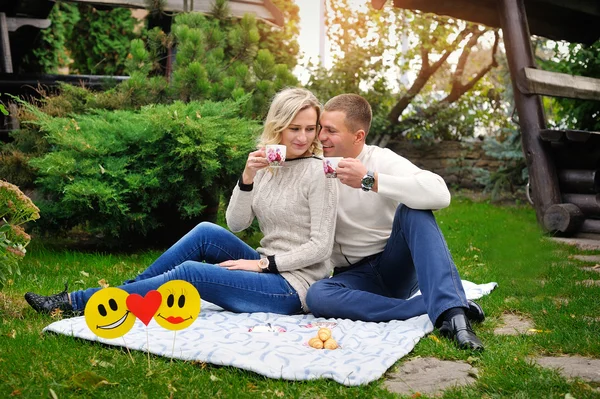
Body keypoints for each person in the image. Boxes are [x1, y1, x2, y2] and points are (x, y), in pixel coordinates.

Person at [25, 87, 337, 317]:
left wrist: (263, 264)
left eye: (310, 129)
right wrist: (247, 176)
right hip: (265, 266)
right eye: (295, 128)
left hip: (292, 288)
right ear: (278, 127)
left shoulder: (319, 173)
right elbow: (237, 224)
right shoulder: (266, 167)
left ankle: (77, 302)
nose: (303, 137)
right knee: (206, 231)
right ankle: (125, 294)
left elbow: (321, 246)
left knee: (191, 273)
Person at [305, 93, 485, 350]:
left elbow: (440, 193)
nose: (321, 136)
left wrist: (370, 180)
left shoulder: (380, 159)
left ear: (358, 136)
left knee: (414, 210)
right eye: (321, 128)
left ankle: (456, 318)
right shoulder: (315, 166)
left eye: (331, 130)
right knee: (318, 296)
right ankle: (434, 306)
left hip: (395, 265)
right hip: (355, 278)